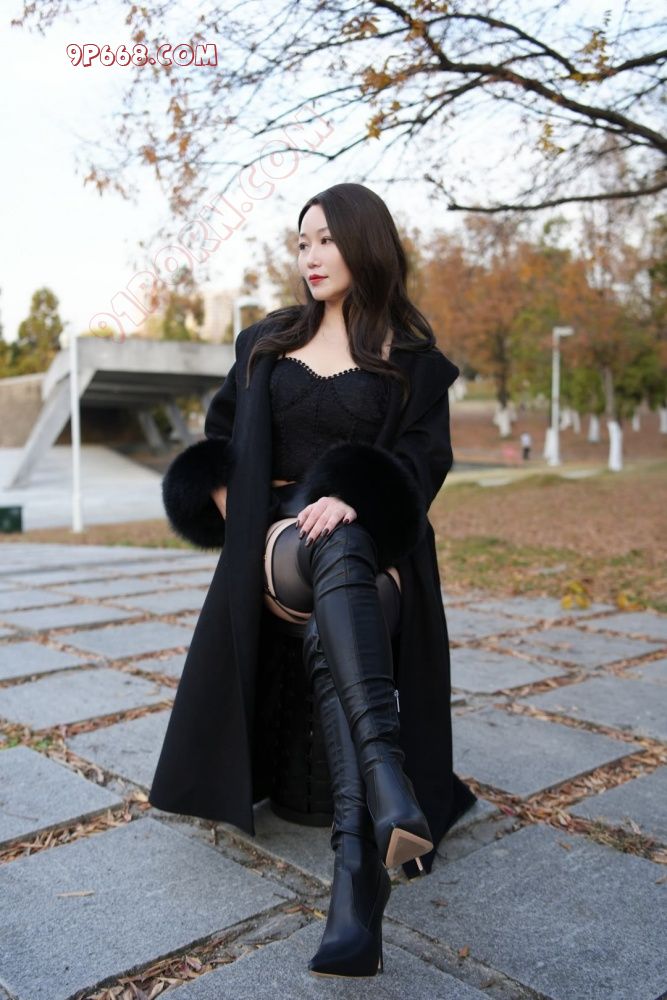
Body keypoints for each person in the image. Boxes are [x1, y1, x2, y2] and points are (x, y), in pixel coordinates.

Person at [149, 182, 477, 979]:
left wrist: (354, 496)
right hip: (276, 539)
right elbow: (219, 438)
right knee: (321, 549)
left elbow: (422, 463)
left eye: (325, 239)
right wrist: (237, 508)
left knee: (344, 566)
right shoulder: (266, 342)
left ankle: (360, 860)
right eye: (301, 243)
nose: (311, 256)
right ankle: (386, 789)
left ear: (364, 242)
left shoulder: (412, 361)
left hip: (373, 542)